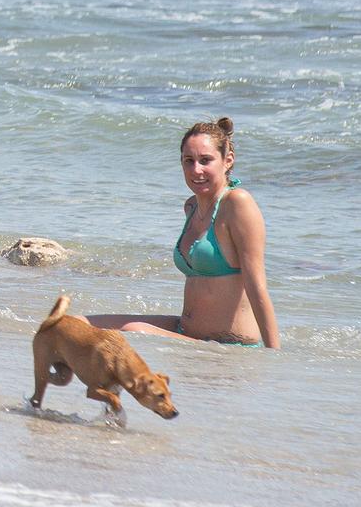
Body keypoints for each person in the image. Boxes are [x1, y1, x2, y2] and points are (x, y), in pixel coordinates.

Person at [87, 118, 281, 348]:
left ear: (227, 161)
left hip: (229, 343)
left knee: (134, 331)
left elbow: (256, 285)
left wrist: (274, 356)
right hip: (186, 331)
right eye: (189, 161)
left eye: (205, 160)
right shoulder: (191, 207)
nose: (196, 170)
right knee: (80, 323)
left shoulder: (237, 203)